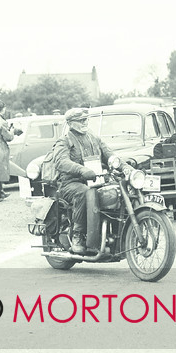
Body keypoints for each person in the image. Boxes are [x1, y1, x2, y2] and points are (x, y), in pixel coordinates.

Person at [53, 108, 117, 254]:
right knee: (84, 193)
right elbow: (61, 162)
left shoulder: (93, 138)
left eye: (85, 120)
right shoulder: (64, 140)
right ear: (70, 123)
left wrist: (119, 163)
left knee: (116, 190)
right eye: (80, 120)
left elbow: (109, 154)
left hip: (96, 180)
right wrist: (81, 170)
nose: (84, 123)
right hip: (71, 183)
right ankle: (77, 235)